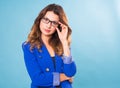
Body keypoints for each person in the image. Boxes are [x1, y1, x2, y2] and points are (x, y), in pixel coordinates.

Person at [22, 3, 76, 88]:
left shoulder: (62, 45)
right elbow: (37, 79)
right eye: (46, 19)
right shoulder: (29, 47)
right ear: (39, 20)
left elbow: (70, 72)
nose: (48, 25)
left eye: (54, 23)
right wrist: (64, 77)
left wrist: (64, 42)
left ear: (59, 26)